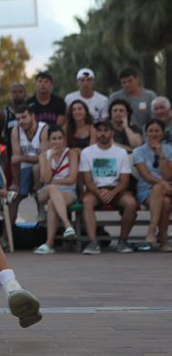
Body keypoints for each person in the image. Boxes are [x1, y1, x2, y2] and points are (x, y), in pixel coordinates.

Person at [79, 119, 136, 254]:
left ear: (112, 132)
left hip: (116, 189)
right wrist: (100, 193)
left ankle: (123, 241)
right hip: (94, 190)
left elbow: (124, 181)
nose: (102, 134)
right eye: (99, 131)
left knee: (131, 203)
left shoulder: (121, 152)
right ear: (96, 133)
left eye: (106, 130)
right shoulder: (86, 152)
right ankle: (93, 243)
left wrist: (112, 192)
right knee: (87, 201)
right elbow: (88, 181)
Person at [33, 126, 80, 254]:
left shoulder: (71, 153)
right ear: (49, 141)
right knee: (52, 189)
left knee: (52, 203)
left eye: (60, 138)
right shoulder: (43, 156)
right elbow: (45, 178)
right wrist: (49, 159)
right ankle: (67, 225)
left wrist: (54, 182)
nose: (57, 141)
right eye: (54, 139)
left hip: (67, 191)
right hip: (46, 191)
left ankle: (49, 243)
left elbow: (72, 178)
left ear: (64, 140)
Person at [132, 120, 172, 252]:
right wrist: (162, 183)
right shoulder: (139, 151)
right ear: (146, 133)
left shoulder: (169, 149)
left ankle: (152, 231)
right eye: (150, 131)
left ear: (162, 133)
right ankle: (163, 240)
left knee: (164, 196)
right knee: (165, 200)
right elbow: (146, 176)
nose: (153, 134)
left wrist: (161, 155)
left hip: (167, 186)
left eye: (157, 131)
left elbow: (167, 175)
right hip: (146, 189)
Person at [8, 105, 47, 224]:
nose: (21, 121)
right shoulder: (16, 130)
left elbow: (43, 158)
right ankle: (8, 233)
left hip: (43, 168)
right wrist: (15, 183)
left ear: (33, 116)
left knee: (37, 167)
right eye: (18, 119)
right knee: (13, 197)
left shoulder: (44, 129)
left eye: (24, 117)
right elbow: (15, 159)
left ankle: (41, 205)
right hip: (24, 168)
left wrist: (22, 158)